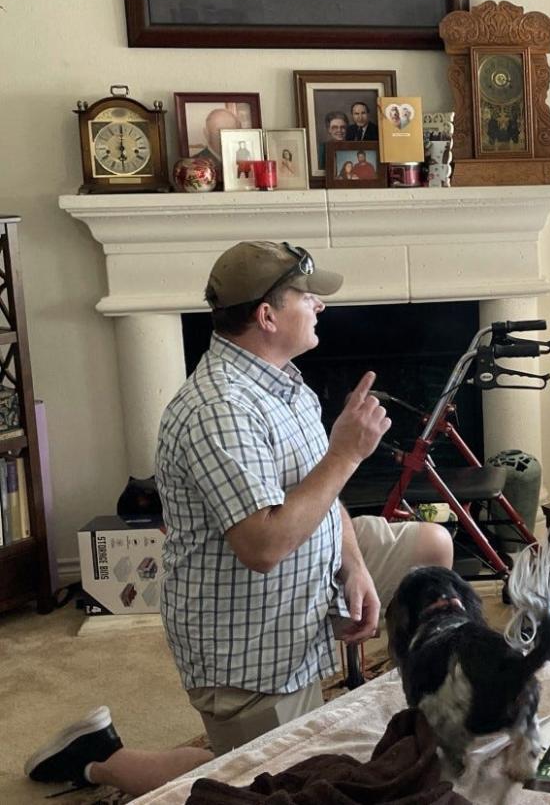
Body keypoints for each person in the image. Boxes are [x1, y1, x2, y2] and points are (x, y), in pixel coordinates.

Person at [25, 241, 455, 795]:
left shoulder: (286, 383)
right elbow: (263, 547)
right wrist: (347, 451)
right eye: (307, 296)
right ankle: (100, 757)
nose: (319, 305)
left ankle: (407, 705)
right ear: (267, 315)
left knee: (431, 547)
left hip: (314, 568)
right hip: (250, 644)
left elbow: (320, 493)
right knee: (276, 789)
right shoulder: (219, 409)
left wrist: (354, 564)